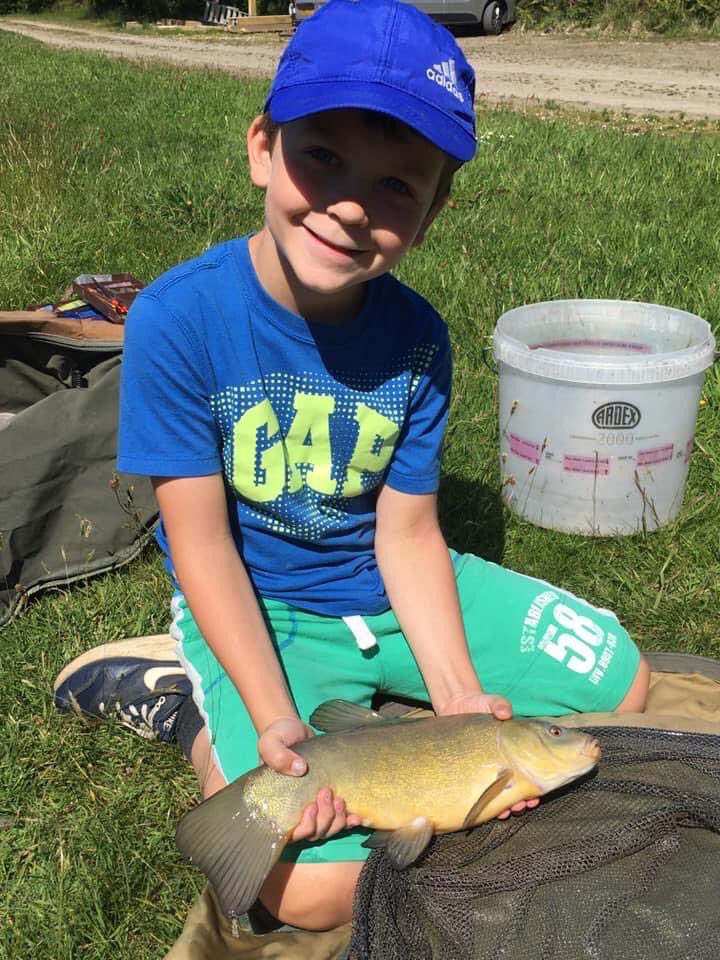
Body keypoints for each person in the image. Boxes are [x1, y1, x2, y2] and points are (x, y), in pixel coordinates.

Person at [54, 0, 650, 934]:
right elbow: (200, 544)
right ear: (262, 146)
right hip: (265, 604)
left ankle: (388, 718)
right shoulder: (177, 319)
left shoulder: (418, 339)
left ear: (434, 211)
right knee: (307, 891)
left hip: (388, 588)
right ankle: (197, 709)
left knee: (620, 688)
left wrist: (459, 701)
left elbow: (408, 530)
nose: (349, 205)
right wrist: (272, 718)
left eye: (396, 186)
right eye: (320, 156)